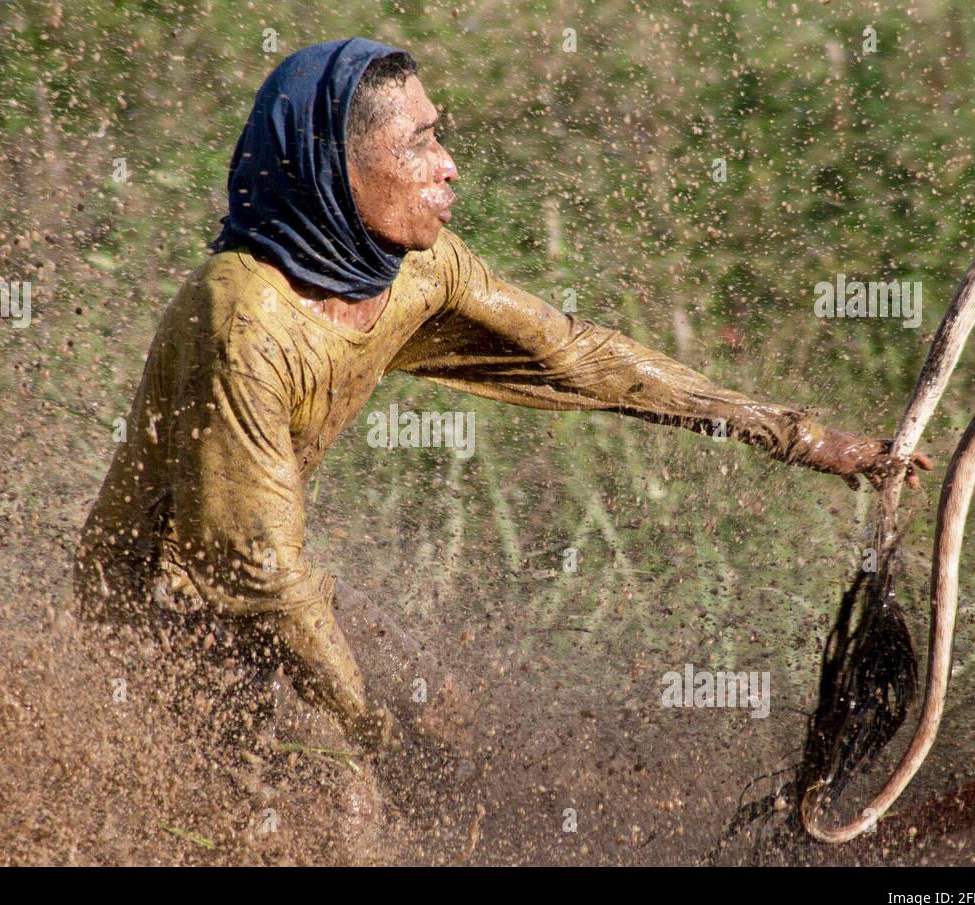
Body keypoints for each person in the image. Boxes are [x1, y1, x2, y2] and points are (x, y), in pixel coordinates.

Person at [74, 37, 931, 751]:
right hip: (162, 612)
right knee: (336, 790)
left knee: (434, 714)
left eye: (437, 135)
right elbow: (258, 575)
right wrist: (370, 733)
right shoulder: (245, 323)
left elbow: (575, 354)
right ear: (338, 167)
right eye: (416, 147)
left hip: (277, 580)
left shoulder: (412, 270)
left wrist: (794, 436)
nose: (448, 167)